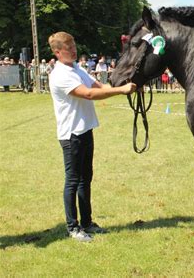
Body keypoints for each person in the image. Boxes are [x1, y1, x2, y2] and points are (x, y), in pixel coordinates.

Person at [48, 31, 136, 242]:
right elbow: (88, 94)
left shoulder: (76, 68)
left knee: (85, 179)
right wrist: (121, 91)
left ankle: (87, 222)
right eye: (69, 49)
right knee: (72, 181)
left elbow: (98, 86)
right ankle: (73, 227)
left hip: (85, 130)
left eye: (74, 46)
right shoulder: (60, 75)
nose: (74, 51)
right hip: (71, 135)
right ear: (58, 52)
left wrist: (128, 86)